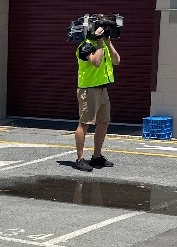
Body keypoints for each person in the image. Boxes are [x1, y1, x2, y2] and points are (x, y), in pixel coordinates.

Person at [74, 14, 120, 172]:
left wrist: (108, 43)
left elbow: (117, 60)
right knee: (85, 123)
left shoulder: (104, 44)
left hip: (102, 89)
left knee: (103, 122)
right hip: (88, 90)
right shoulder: (85, 45)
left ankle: (96, 156)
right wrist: (99, 42)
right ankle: (80, 158)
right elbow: (96, 62)